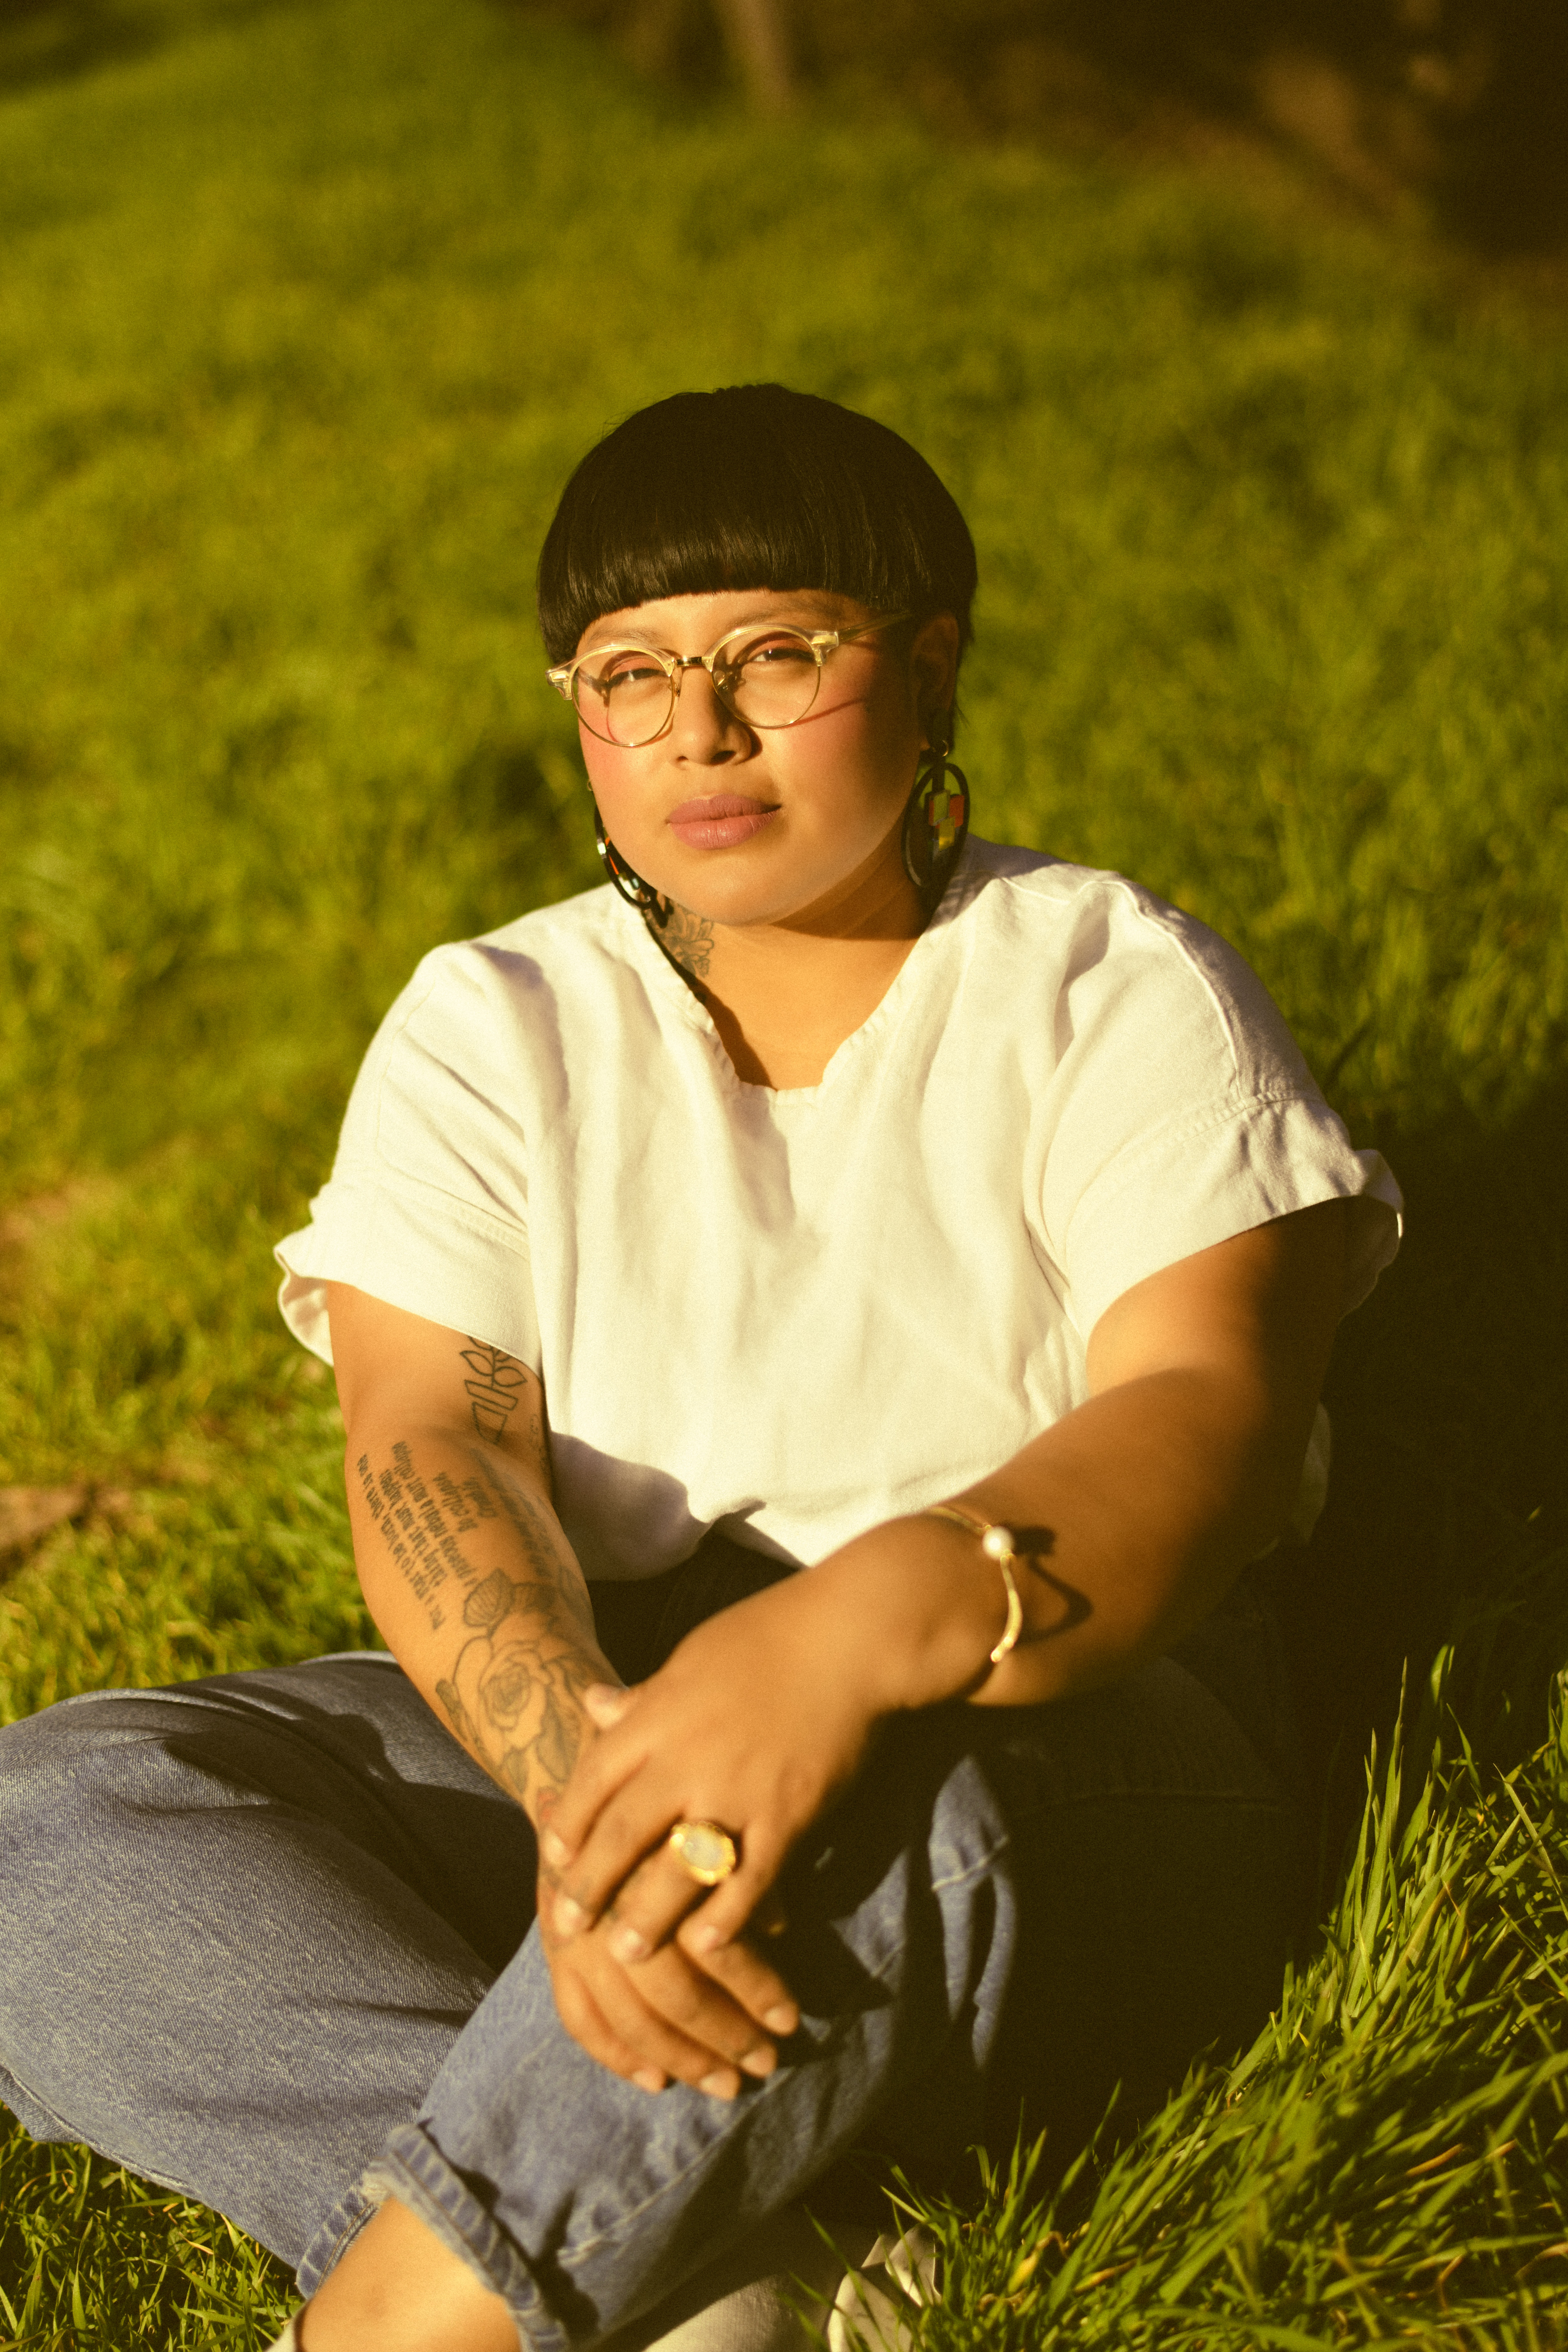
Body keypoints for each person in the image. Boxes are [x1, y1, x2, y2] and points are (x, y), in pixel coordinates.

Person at [0, 385, 1401, 2352]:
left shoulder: (1103, 981)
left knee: (880, 1799)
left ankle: (408, 2317)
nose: (698, 732)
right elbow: (435, 1451)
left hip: (1045, 1736)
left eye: (773, 655)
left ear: (924, 666)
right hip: (626, 1713)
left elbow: (1207, 1425)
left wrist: (851, 1639)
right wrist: (600, 1791)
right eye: (629, 674)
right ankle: (717, 2275)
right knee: (55, 1822)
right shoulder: (494, 1022)